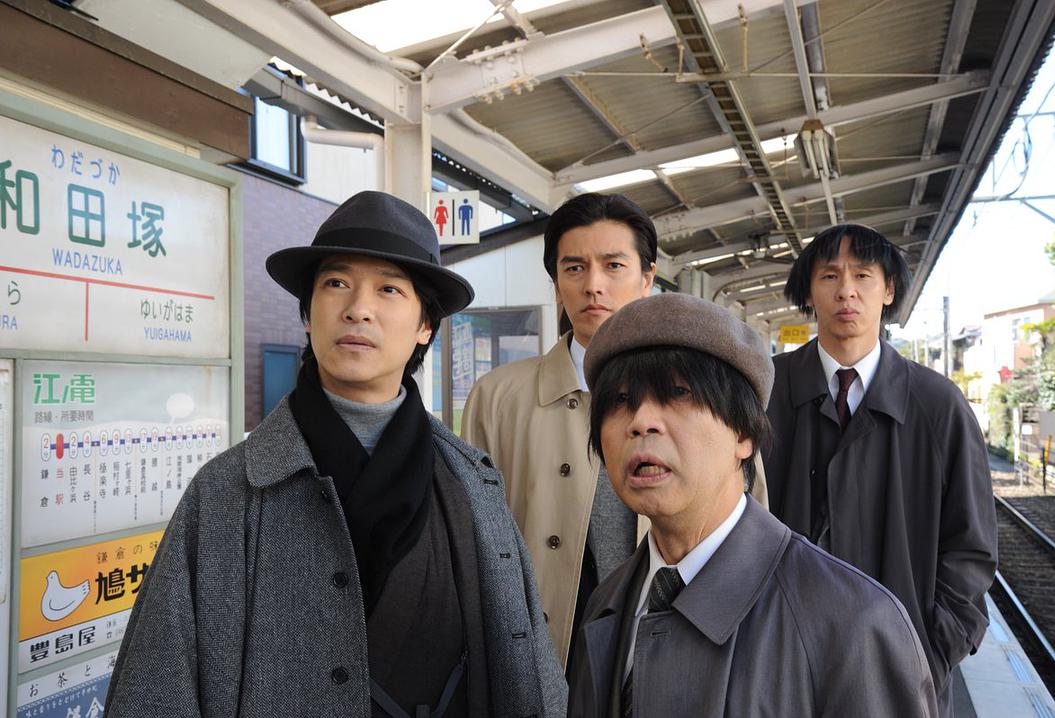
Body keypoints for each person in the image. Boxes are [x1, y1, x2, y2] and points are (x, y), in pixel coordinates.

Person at [104, 191, 567, 718]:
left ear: (425, 326)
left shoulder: (472, 484)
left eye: (389, 289)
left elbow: (527, 670)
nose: (358, 309)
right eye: (336, 284)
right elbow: (158, 682)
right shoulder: (225, 494)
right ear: (308, 314)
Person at [567, 293, 936, 717]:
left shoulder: (853, 621)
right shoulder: (607, 602)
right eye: (619, 401)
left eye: (678, 393)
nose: (640, 422)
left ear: (744, 434)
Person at [462, 193, 769, 669]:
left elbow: (753, 517)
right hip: (537, 656)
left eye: (613, 266)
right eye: (574, 268)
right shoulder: (498, 397)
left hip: (683, 648)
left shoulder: (708, 388)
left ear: (647, 277)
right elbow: (472, 536)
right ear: (555, 283)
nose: (593, 286)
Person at [764, 223, 996, 717]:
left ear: (888, 290)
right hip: (773, 672)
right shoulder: (764, 395)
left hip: (901, 676)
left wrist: (930, 653)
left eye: (863, 275)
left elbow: (972, 547)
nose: (846, 290)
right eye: (829, 276)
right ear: (809, 291)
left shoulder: (938, 405)